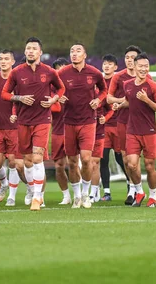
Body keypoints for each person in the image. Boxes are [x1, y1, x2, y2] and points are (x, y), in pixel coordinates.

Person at [1, 37, 65, 211]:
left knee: (37, 158)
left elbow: (61, 88)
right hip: (23, 121)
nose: (30, 51)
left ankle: (38, 197)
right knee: (27, 161)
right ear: (25, 51)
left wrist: (53, 99)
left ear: (40, 52)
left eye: (34, 48)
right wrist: (19, 98)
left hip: (42, 120)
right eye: (28, 48)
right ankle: (32, 190)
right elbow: (5, 93)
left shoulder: (50, 72)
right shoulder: (16, 72)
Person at [58, 43, 107, 209]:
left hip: (88, 121)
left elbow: (104, 90)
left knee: (86, 159)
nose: (74, 54)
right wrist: (58, 97)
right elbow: (52, 89)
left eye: (78, 51)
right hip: (69, 121)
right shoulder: (62, 73)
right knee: (72, 162)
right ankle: (77, 196)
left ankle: (86, 194)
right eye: (72, 51)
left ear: (85, 55)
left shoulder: (94, 73)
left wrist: (98, 99)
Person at [120, 53, 156, 207]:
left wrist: (146, 100)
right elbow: (128, 101)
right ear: (134, 66)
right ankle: (139, 191)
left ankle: (153, 196)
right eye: (141, 66)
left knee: (150, 165)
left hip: (149, 130)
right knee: (131, 164)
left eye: (146, 66)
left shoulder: (153, 86)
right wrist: (119, 105)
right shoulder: (127, 84)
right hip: (132, 130)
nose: (144, 69)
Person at [0, 50, 24, 206]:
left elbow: (24, 100)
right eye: (1, 58)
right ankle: (4, 184)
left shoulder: (19, 79)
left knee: (15, 163)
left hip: (15, 128)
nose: (3, 61)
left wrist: (17, 114)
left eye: (6, 59)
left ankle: (20, 193)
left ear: (13, 61)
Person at [107, 45, 142, 205]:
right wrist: (124, 101)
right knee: (126, 159)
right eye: (127, 57)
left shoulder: (145, 78)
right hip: (122, 122)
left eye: (133, 57)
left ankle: (136, 190)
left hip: (140, 122)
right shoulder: (118, 77)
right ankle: (132, 187)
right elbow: (109, 98)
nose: (129, 60)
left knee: (138, 161)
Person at [99, 54, 128, 202]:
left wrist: (115, 106)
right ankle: (107, 192)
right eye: (105, 64)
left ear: (116, 67)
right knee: (103, 158)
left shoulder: (119, 81)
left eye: (110, 64)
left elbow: (125, 100)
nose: (107, 66)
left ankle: (132, 185)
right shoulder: (99, 81)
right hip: (102, 127)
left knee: (120, 158)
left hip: (118, 125)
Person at [51, 58, 72, 205]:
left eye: (64, 68)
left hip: (74, 129)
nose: (61, 71)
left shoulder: (76, 85)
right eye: (58, 69)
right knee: (58, 165)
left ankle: (82, 193)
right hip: (57, 131)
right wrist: (56, 99)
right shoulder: (50, 89)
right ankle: (66, 195)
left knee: (76, 163)